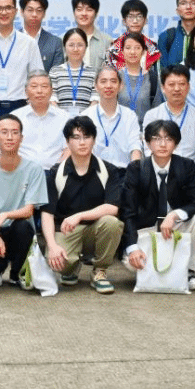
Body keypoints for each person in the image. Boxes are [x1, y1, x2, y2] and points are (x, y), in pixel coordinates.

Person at [119, 119, 195, 292]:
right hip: (147, 228)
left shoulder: (186, 166)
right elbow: (127, 212)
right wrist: (132, 248)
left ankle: (190, 271)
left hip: (176, 226)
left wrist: (175, 214)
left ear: (176, 144)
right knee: (133, 264)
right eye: (156, 138)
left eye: (168, 139)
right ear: (148, 143)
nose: (162, 144)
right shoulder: (136, 168)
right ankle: (161, 267)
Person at [41, 116, 125, 294]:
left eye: (87, 137)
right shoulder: (56, 172)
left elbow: (113, 207)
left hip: (96, 229)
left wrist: (79, 216)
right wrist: (52, 246)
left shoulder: (108, 170)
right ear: (67, 142)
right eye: (76, 137)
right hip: (66, 231)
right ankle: (71, 268)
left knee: (112, 222)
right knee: (58, 263)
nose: (82, 142)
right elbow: (47, 213)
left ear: (94, 140)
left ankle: (99, 271)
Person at [0, 114, 47, 286]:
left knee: (23, 227)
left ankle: (17, 272)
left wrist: (5, 215)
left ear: (22, 138)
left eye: (15, 132)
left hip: (18, 228)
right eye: (4, 132)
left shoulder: (34, 169)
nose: (10, 137)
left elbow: (29, 210)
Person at [143, 65, 195, 176]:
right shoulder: (152, 115)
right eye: (171, 84)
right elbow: (148, 149)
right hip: (161, 173)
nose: (177, 89)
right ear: (163, 87)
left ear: (188, 87)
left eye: (181, 84)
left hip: (191, 173)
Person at [3, 72, 70, 170]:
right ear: (26, 92)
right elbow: (8, 149)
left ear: (52, 91)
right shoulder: (15, 117)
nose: (39, 91)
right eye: (34, 86)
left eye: (44, 86)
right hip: (23, 172)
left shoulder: (64, 117)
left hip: (55, 172)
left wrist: (59, 170)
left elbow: (69, 148)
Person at [81, 66, 143, 169]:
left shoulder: (129, 116)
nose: (108, 86)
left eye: (113, 81)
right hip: (94, 172)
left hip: (123, 172)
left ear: (121, 86)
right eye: (103, 81)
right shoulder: (86, 116)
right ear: (95, 86)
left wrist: (134, 172)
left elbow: (135, 147)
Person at [116, 33, 161, 124]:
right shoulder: (115, 77)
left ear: (144, 51)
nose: (132, 52)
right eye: (128, 48)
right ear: (122, 52)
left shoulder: (153, 79)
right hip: (119, 129)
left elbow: (157, 112)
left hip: (145, 130)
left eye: (137, 48)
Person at [106, 0, 161, 71]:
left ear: (145, 21)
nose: (135, 21)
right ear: (124, 21)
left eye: (139, 16)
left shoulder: (153, 48)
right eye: (130, 17)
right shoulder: (113, 48)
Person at [50, 28, 94, 113]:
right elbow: (52, 99)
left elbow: (95, 101)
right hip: (61, 119)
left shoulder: (93, 72)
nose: (75, 49)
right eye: (71, 45)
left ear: (86, 47)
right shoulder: (55, 72)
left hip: (87, 119)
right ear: (64, 47)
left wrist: (83, 118)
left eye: (80, 45)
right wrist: (63, 117)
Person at [19, 0, 65, 71]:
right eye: (30, 10)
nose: (34, 14)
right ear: (22, 12)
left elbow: (57, 74)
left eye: (39, 10)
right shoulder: (12, 40)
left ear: (44, 14)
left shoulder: (55, 43)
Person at [157, 0, 195, 69]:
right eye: (183, 3)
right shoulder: (166, 37)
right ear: (177, 10)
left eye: (193, 3)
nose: (188, 7)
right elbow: (161, 71)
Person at [71, 0, 113, 70]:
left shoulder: (107, 41)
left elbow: (112, 71)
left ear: (96, 13)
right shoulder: (64, 41)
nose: (84, 13)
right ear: (74, 13)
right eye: (79, 10)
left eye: (89, 10)